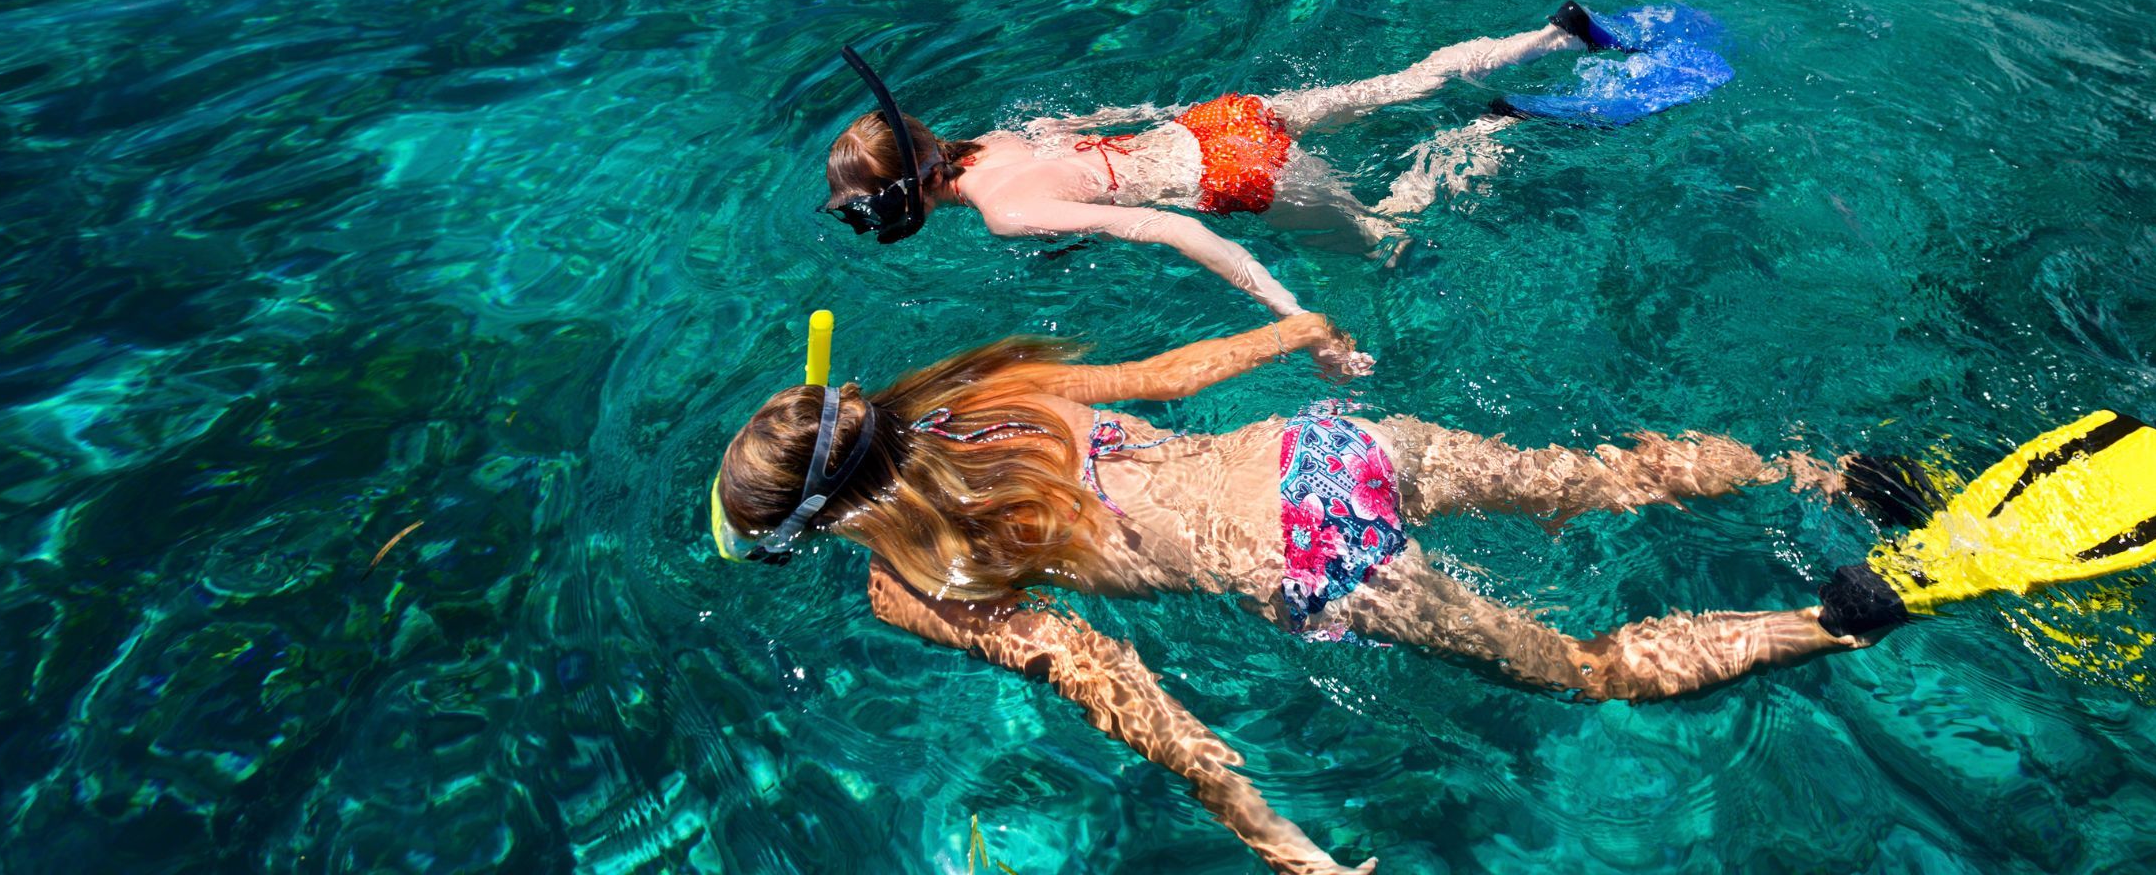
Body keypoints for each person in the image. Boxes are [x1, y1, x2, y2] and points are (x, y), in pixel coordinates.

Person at [708, 315, 1882, 875]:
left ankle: (1833, 617)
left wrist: (1281, 843)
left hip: (1320, 563)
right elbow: (1166, 375)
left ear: (822, 525)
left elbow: (1104, 676)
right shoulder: (989, 389)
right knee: (1589, 482)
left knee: (1588, 673)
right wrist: (1299, 328)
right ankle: (1818, 472)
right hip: (1322, 448)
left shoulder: (904, 583)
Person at [820, 4, 1628, 328]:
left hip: (1234, 179)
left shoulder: (1004, 213)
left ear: (914, 191)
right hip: (1218, 119)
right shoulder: (996, 139)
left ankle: (1485, 136)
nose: (875, 222)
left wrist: (1287, 311)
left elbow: (1165, 225)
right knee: (1401, 83)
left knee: (1393, 241)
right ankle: (1552, 35)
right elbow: (1098, 126)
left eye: (873, 210)